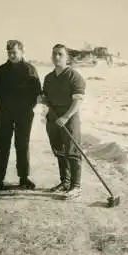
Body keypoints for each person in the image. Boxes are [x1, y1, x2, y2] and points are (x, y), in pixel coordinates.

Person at [0, 40, 42, 194]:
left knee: (22, 145)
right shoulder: (1, 70)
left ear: (22, 52)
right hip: (4, 113)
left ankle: (24, 178)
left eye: (15, 52)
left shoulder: (30, 69)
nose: (12, 55)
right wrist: (3, 107)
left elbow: (36, 91)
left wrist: (27, 108)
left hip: (24, 114)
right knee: (2, 146)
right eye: (9, 52)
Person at [42, 44, 86, 199]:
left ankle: (76, 186)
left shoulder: (74, 76)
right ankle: (65, 182)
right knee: (59, 150)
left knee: (72, 151)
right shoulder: (48, 78)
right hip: (53, 118)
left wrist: (66, 117)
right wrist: (42, 99)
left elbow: (78, 101)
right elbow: (46, 97)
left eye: (60, 54)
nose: (56, 57)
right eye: (54, 54)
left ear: (67, 58)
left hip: (69, 118)